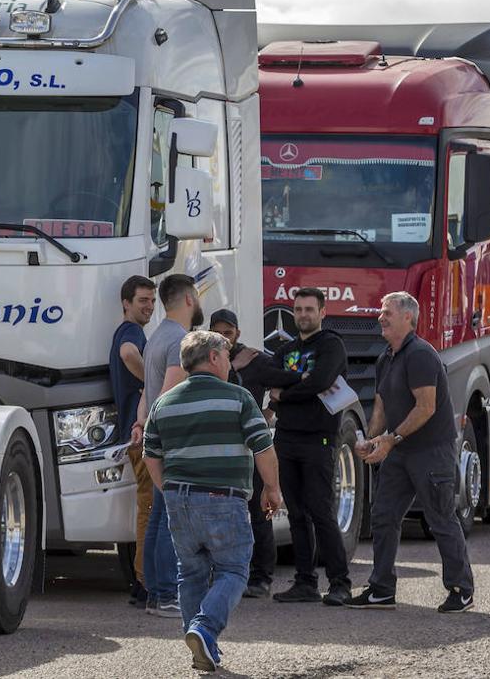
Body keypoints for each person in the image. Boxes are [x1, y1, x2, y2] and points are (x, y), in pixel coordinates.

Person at [143, 330, 284, 673]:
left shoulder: (164, 402)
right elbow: (263, 447)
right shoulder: (238, 397)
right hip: (223, 497)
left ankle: (201, 648)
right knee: (234, 569)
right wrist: (272, 489)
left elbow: (150, 455)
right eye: (225, 353)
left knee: (190, 574)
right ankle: (204, 629)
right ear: (213, 358)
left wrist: (170, 490)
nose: (227, 359)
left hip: (179, 499)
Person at [348, 291, 475, 613]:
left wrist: (391, 440)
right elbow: (381, 404)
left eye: (387, 312)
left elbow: (426, 407)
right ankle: (381, 589)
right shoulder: (386, 357)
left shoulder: (420, 355)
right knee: (383, 516)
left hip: (431, 452)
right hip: (400, 451)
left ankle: (461, 589)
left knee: (441, 518)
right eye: (381, 311)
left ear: (408, 317)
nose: (380, 317)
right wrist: (371, 438)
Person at [235, 287, 351, 605]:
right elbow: (267, 374)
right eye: (298, 310)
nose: (303, 315)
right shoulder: (287, 350)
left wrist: (285, 393)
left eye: (309, 309)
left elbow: (322, 380)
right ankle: (305, 582)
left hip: (319, 439)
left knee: (321, 510)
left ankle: (340, 583)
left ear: (322, 312)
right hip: (286, 438)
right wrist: (298, 380)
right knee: (296, 513)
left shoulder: (331, 345)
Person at [132, 273, 203, 617]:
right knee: (167, 518)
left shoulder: (157, 336)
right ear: (189, 299)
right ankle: (164, 595)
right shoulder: (180, 340)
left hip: (154, 437)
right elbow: (168, 395)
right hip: (171, 441)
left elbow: (148, 393)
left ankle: (155, 594)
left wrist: (141, 425)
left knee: (157, 517)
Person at [210, 309, 278, 600]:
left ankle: (262, 578)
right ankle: (227, 574)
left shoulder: (255, 359)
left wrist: (271, 410)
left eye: (228, 332)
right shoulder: (207, 360)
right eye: (218, 332)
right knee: (221, 515)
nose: (224, 337)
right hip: (219, 451)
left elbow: (286, 380)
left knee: (259, 513)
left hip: (250, 448)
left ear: (237, 332)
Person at [110, 275, 156, 607]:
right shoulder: (131, 332)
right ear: (126, 303)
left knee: (147, 506)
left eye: (152, 301)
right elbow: (128, 354)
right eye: (142, 300)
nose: (149, 307)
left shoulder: (133, 331)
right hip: (138, 432)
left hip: (132, 432)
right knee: (150, 507)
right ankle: (143, 581)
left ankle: (142, 577)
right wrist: (153, 382)